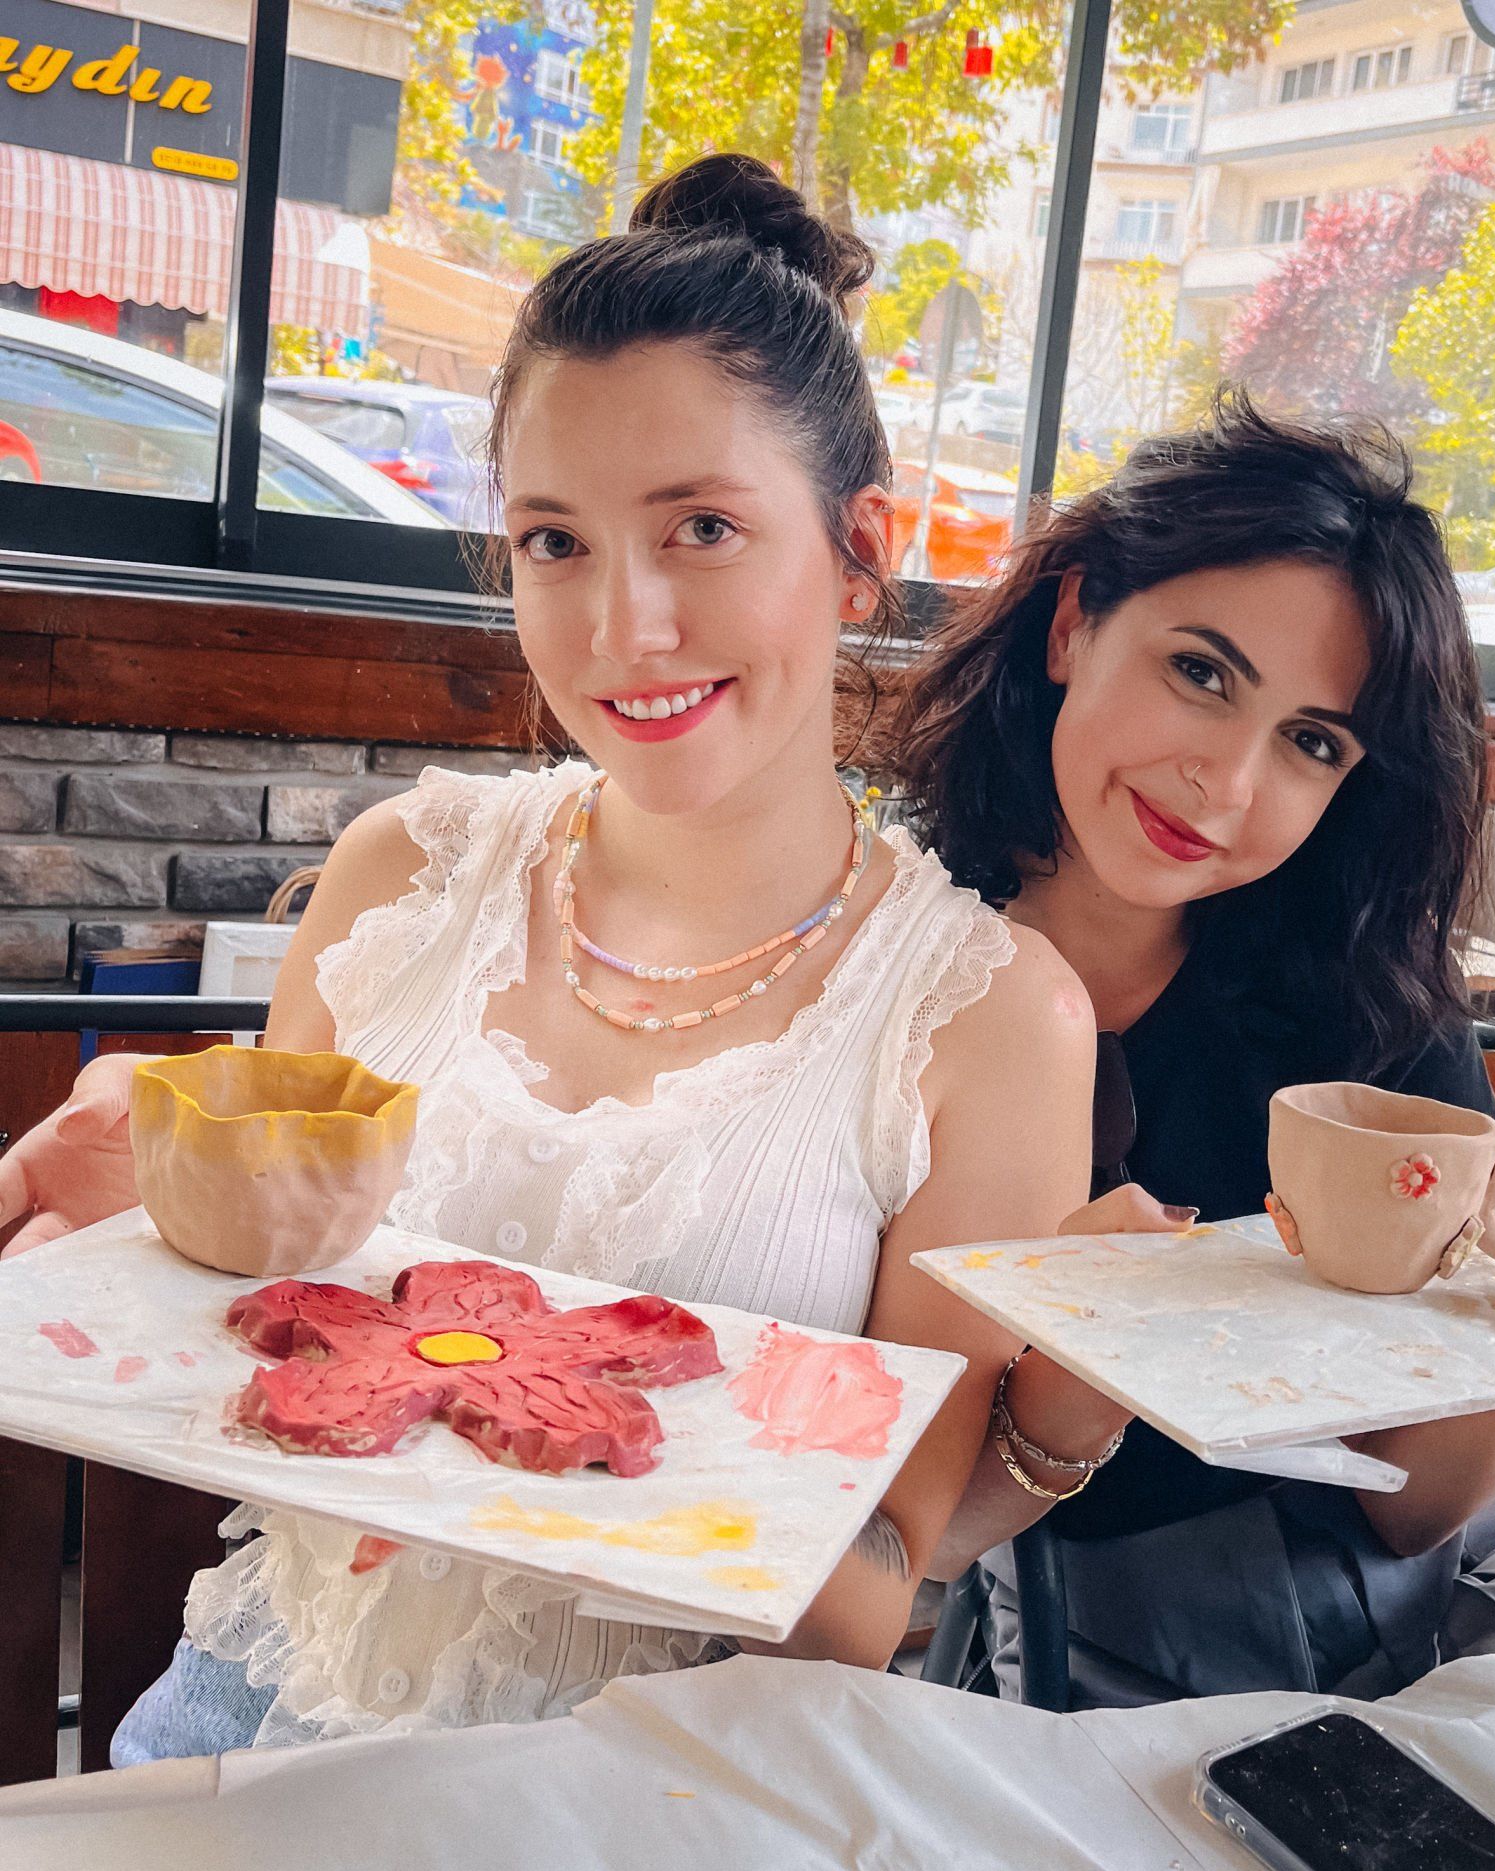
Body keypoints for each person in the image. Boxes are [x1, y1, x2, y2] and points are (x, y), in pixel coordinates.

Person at [0, 154, 1097, 1756]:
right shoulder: (400, 880)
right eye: (553, 542)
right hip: (250, 1713)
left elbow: (870, 1586)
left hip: (644, 1799)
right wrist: (148, 1234)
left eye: (703, 528)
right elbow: (269, 1339)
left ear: (860, 544)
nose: (620, 630)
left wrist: (567, 1415)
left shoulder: (990, 1020)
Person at [893, 397, 1495, 1704]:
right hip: (983, 1612)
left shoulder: (1365, 1012)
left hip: (1341, 1626)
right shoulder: (876, 956)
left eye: (1312, 742)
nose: (1229, 784)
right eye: (1201, 673)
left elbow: (1410, 1513)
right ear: (1074, 623)